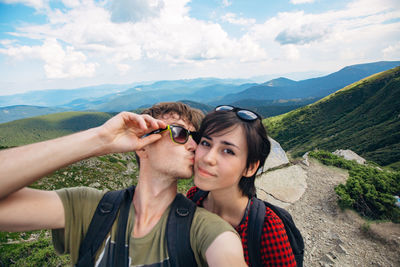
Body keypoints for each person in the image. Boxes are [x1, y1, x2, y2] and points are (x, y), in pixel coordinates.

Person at [0, 102, 247, 267]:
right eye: (181, 134)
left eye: (197, 139)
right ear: (143, 142)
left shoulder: (204, 230)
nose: (194, 147)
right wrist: (101, 139)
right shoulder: (90, 208)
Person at [187, 105, 298, 266]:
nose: (208, 158)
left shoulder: (267, 228)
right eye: (206, 143)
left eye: (228, 151)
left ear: (250, 167)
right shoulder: (194, 197)